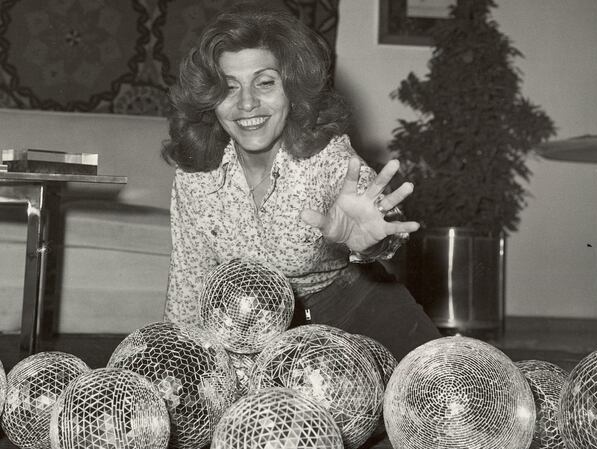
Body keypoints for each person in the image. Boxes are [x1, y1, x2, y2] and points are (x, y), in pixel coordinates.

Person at [160, 3, 440, 361]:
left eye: (265, 83)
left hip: (356, 309)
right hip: (255, 334)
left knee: (453, 394)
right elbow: (188, 284)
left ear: (292, 90)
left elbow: (369, 204)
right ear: (210, 100)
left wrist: (368, 243)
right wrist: (180, 361)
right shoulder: (195, 178)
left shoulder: (326, 155)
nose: (247, 103)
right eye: (229, 88)